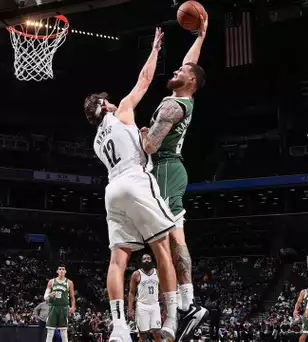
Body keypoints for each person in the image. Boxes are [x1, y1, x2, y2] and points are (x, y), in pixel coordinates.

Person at [84, 27, 179, 342]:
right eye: (108, 101)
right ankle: (173, 317)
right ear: (106, 106)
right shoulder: (122, 110)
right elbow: (144, 81)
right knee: (161, 244)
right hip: (134, 178)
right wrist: (154, 50)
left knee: (117, 259)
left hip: (112, 192)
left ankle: (119, 327)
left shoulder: (97, 141)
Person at [139, 15, 209, 342]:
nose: (177, 70)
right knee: (172, 239)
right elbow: (190, 63)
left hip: (165, 168)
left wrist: (138, 133)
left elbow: (150, 145)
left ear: (190, 82)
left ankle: (185, 306)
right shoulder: (187, 97)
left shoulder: (171, 106)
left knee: (169, 241)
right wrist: (202, 34)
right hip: (169, 169)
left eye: (181, 72)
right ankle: (186, 305)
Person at [128, 254, 162, 342]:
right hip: (142, 306)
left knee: (157, 334)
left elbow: (161, 291)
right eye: (144, 259)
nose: (146, 260)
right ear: (141, 261)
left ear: (151, 261)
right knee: (143, 335)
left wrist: (165, 307)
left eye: (148, 258)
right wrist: (130, 309)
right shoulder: (136, 274)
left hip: (155, 305)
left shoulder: (157, 272)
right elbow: (131, 293)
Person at [44, 264, 76, 342]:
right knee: (50, 332)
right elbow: (45, 297)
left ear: (65, 271)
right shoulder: (51, 281)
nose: (61, 270)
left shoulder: (69, 282)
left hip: (63, 308)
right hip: (53, 307)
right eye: (60, 269)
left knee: (64, 333)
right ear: (57, 271)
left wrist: (73, 306)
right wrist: (49, 295)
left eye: (63, 269)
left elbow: (72, 297)